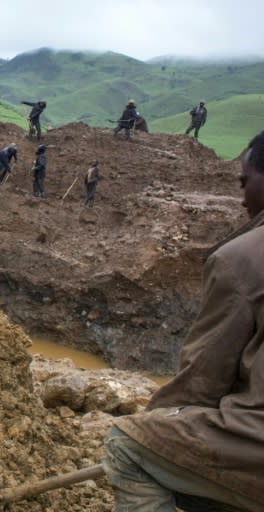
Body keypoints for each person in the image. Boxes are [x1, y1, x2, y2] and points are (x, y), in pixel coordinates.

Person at [102, 130, 264, 512]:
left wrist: (155, 428)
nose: (242, 198)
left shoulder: (243, 258)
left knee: (126, 446)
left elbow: (203, 379)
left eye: (246, 182)